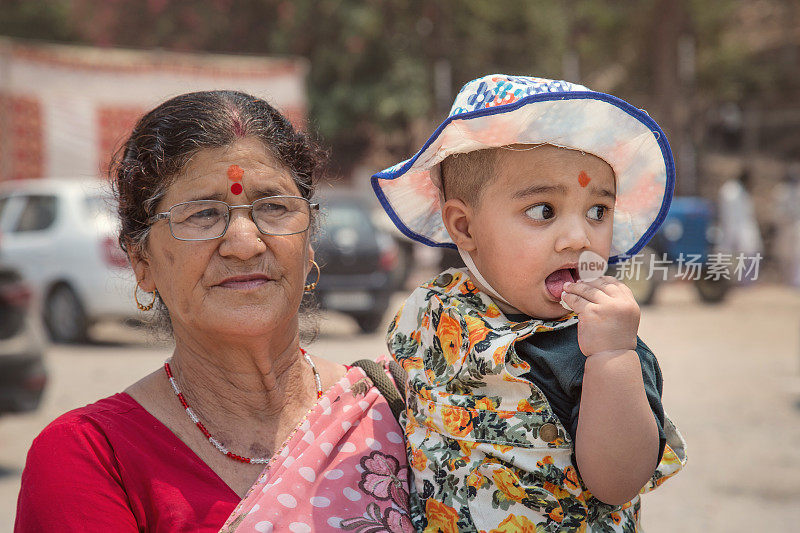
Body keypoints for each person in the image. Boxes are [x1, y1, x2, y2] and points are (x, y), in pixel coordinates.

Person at [15, 90, 413, 532]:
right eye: (203, 213)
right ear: (141, 262)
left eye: (274, 207)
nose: (244, 243)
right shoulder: (91, 457)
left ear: (309, 243)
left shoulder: (405, 416)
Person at [372, 74, 687, 531]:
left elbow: (618, 482)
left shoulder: (591, 344)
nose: (580, 238)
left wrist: (614, 355)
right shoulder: (432, 307)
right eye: (544, 211)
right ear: (464, 227)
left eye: (598, 211)